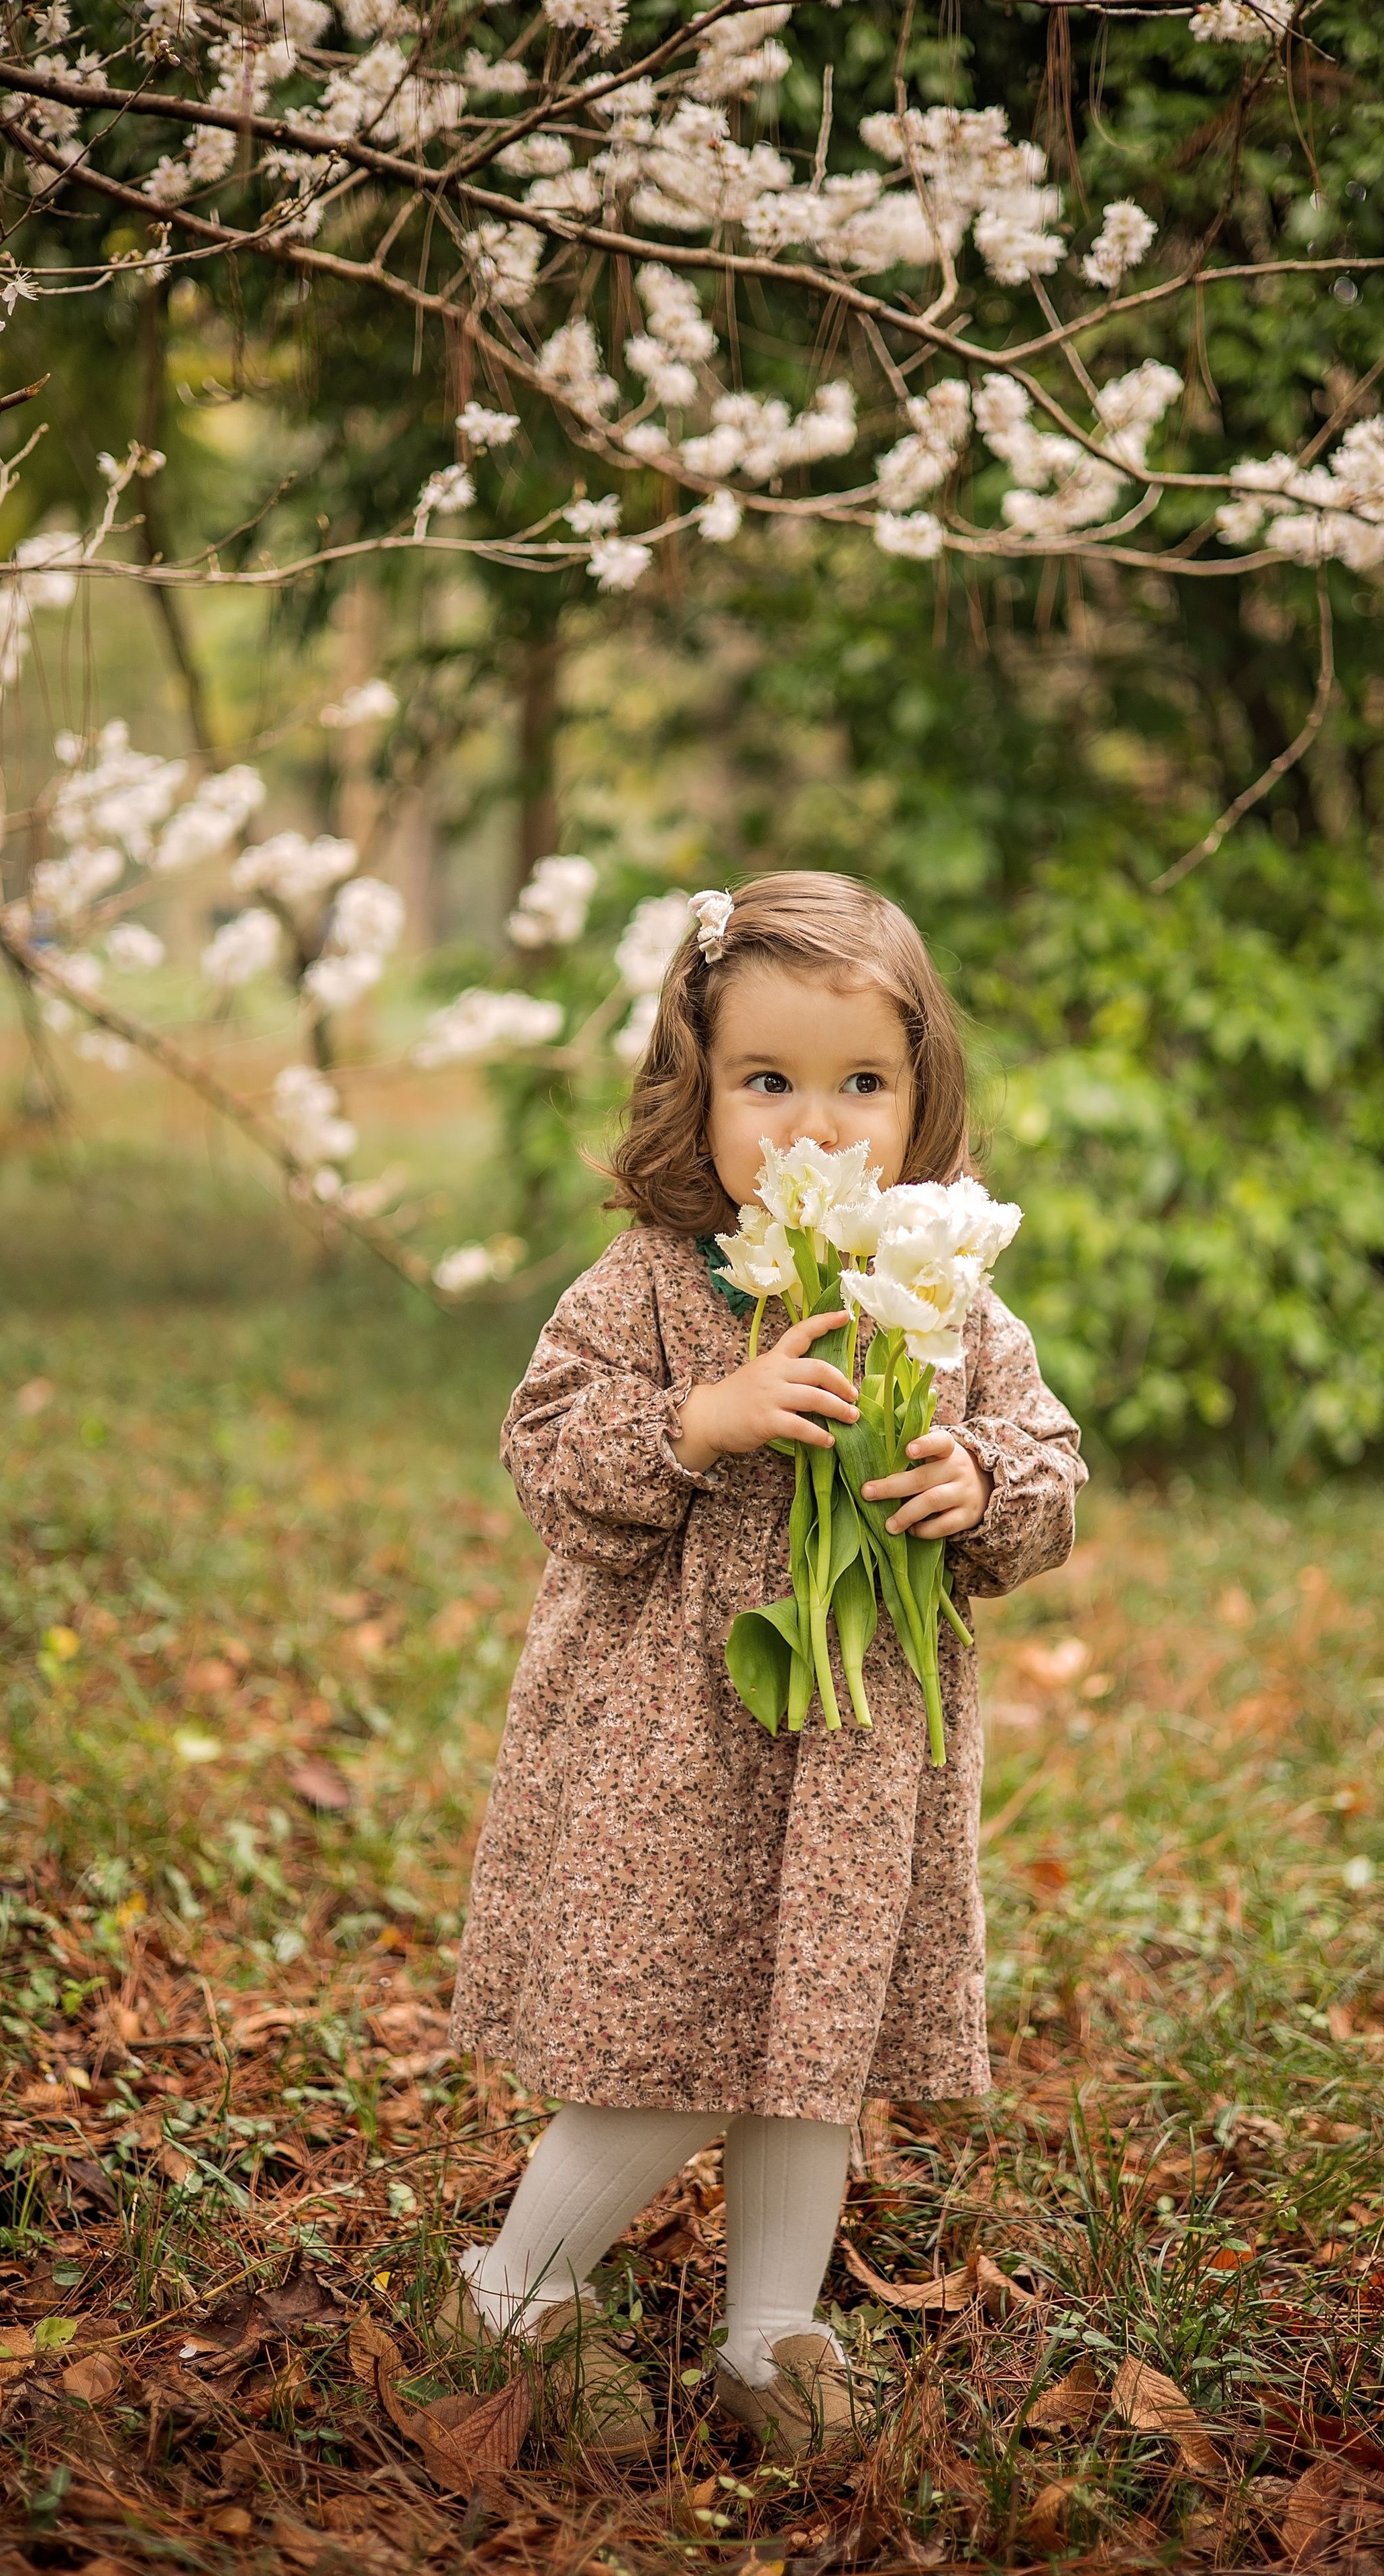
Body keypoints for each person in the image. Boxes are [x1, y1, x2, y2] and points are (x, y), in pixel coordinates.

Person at [441, 871, 1086, 2461]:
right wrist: (695, 1421)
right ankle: (513, 2288)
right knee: (679, 2032)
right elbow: (545, 1455)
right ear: (698, 1090)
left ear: (921, 1097)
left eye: (860, 1082)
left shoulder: (941, 1289)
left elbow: (1046, 1460)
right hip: (670, 1748)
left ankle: (772, 2330)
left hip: (857, 1758)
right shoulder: (653, 1285)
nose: (816, 1126)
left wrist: (980, 1484)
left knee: (815, 2040)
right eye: (766, 1082)